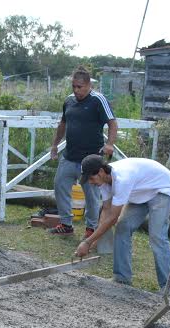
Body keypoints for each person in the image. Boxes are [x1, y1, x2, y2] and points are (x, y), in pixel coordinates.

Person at [73, 155, 170, 294]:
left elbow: (112, 217)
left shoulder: (122, 179)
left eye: (91, 178)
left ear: (100, 172)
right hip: (140, 191)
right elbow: (106, 210)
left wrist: (87, 242)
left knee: (157, 236)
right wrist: (94, 241)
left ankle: (169, 286)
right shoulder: (104, 182)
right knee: (123, 227)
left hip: (162, 188)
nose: (91, 182)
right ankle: (122, 277)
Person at [48, 66, 118, 237]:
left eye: (80, 87)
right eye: (74, 86)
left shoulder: (98, 100)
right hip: (69, 155)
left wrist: (110, 143)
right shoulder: (69, 101)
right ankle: (66, 225)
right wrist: (55, 144)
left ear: (88, 86)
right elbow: (62, 124)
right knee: (60, 185)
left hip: (91, 159)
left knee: (92, 195)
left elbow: (113, 123)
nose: (76, 90)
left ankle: (91, 228)